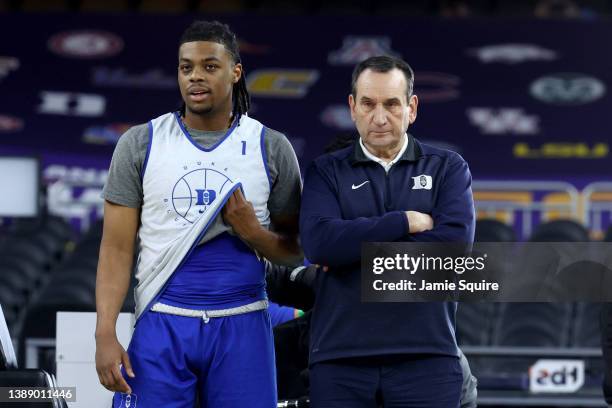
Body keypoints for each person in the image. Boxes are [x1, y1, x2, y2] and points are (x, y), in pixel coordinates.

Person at [94, 20, 302, 408]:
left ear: (236, 72)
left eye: (210, 66)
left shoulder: (271, 147)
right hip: (162, 323)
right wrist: (104, 332)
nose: (195, 77)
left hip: (244, 326)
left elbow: (295, 252)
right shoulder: (140, 143)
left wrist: (254, 233)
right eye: (186, 67)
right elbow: (116, 249)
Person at [300, 55, 475, 407]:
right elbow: (320, 244)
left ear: (411, 107)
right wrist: (405, 221)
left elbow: (451, 251)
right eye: (368, 104)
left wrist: (352, 250)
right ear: (352, 107)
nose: (379, 117)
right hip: (339, 360)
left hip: (428, 357)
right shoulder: (325, 171)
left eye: (392, 104)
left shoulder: (448, 168)